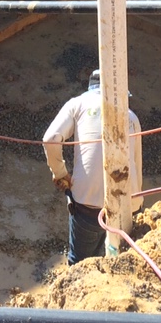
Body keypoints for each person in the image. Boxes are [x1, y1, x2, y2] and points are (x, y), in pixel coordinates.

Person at [42, 69, 143, 265]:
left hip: (87, 201)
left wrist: (60, 173)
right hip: (124, 205)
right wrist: (136, 206)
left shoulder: (77, 104)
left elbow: (50, 139)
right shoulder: (131, 117)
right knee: (114, 263)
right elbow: (136, 164)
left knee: (80, 264)